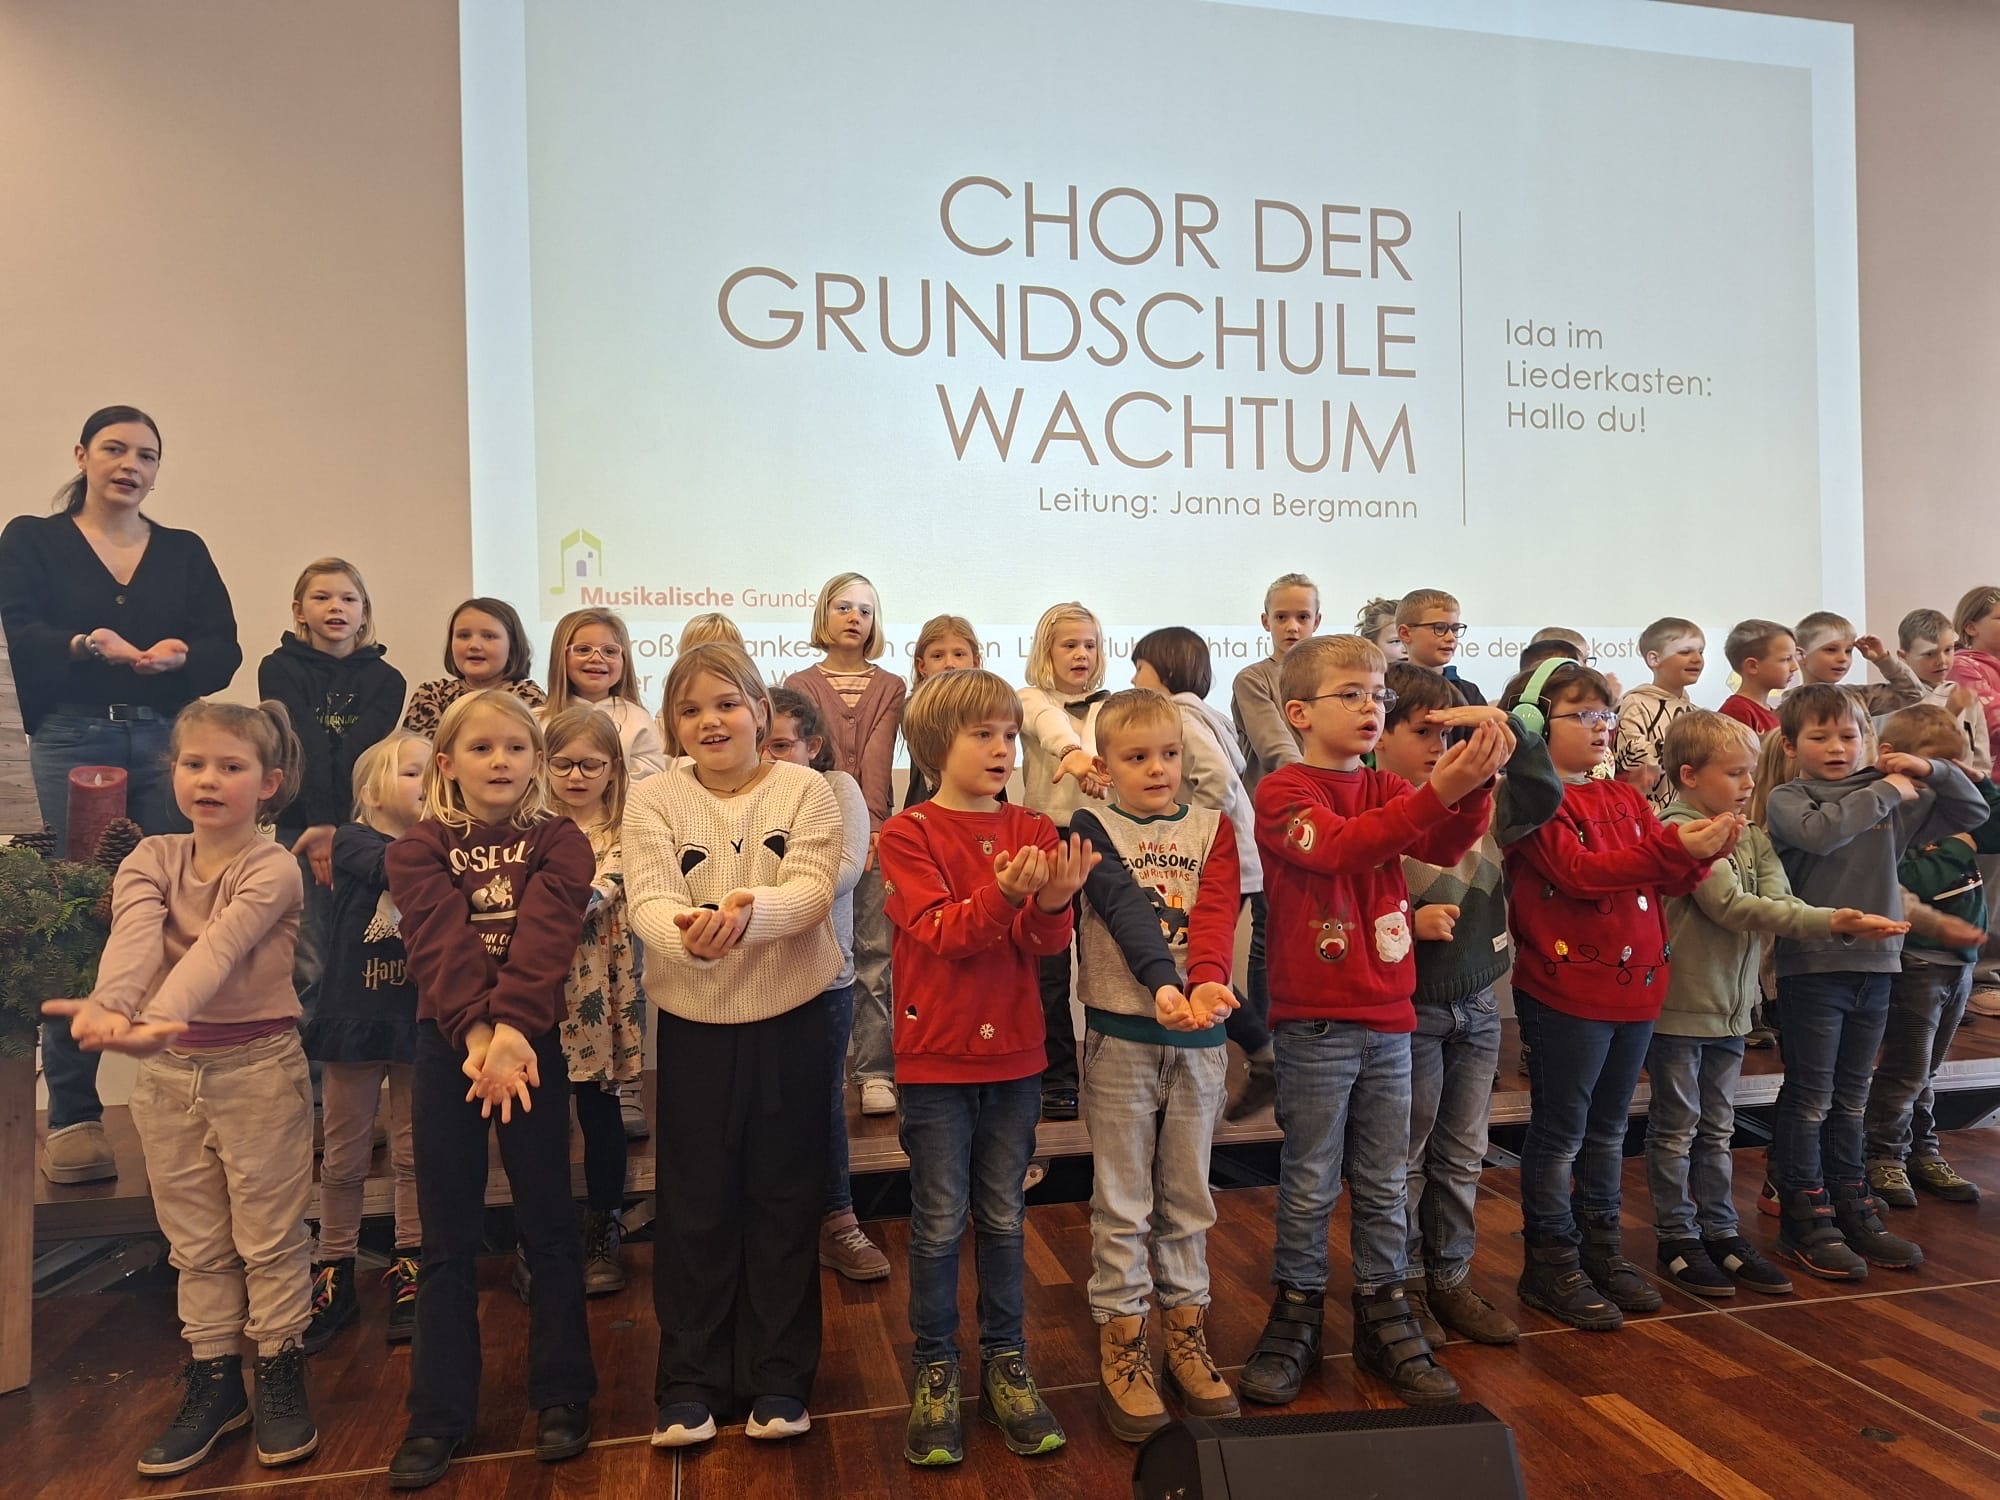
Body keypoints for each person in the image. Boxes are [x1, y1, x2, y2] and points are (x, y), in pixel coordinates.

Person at [43, 700, 314, 1477]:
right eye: (195, 764)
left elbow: (219, 948)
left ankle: (281, 1365)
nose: (209, 780)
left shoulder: (271, 866)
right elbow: (134, 939)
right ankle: (215, 1379)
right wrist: (112, 1003)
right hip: (167, 1081)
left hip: (258, 1071)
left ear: (269, 783)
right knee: (195, 1243)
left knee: (268, 1238)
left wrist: (161, 1015)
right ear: (173, 773)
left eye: (231, 767)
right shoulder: (149, 857)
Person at [1240, 634, 1507, 1408]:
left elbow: (1444, 840)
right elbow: (1346, 850)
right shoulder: (1283, 792)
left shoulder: (1390, 785)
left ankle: (1384, 1313)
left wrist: (1474, 783)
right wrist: (1439, 787)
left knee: (1387, 1181)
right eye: (1351, 694)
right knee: (1310, 1181)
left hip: (1392, 1020)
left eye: (1378, 694)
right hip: (1316, 1025)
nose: (1371, 707)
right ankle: (1295, 1314)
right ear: (1298, 713)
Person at [2, 405, 241, 1186]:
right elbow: (18, 630)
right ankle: (74, 1116)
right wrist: (83, 645)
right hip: (72, 739)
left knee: (180, 910)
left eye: (147, 454)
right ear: (82, 455)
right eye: (114, 448)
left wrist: (182, 657)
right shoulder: (31, 539)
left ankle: (187, 1102)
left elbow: (225, 646)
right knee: (73, 916)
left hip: (171, 741)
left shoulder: (183, 550)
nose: (130, 464)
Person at [625, 644, 843, 1449]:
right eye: (690, 710)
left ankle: (780, 1378)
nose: (710, 721)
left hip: (793, 1019)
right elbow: (648, 897)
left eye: (726, 703)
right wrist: (688, 934)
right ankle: (688, 1382)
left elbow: (813, 889)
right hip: (695, 1024)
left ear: (761, 711)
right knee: (694, 1204)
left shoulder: (807, 789)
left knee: (784, 1198)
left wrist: (749, 915)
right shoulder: (653, 797)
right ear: (672, 724)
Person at [878, 667, 1096, 1466]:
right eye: (984, 735)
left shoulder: (1032, 826)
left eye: (1010, 734)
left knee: (1003, 1217)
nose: (1004, 748)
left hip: (1015, 1060)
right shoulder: (907, 833)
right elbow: (944, 933)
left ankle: (1007, 1362)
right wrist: (1006, 896)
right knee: (939, 1222)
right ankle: (935, 1367)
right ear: (938, 745)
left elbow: (1041, 946)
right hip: (936, 1061)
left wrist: (1053, 902)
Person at [383, 691, 596, 1488]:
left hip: (529, 1046)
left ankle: (563, 1393)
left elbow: (546, 940)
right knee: (447, 1236)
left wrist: (510, 1034)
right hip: (454, 1052)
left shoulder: (560, 839)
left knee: (550, 1223)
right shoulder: (417, 848)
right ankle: (437, 1416)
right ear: (447, 763)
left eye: (515, 747)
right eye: (481, 749)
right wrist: (479, 1038)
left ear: (536, 760)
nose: (500, 761)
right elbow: (438, 944)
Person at [1501, 658, 1736, 1330]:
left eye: (1606, 712)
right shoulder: (1534, 802)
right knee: (1561, 1133)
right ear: (1536, 724)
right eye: (1583, 714)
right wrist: (1676, 849)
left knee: (1608, 1132)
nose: (1602, 726)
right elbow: (1580, 873)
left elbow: (1664, 879)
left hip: (1636, 993)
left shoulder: (1627, 798)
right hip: (1566, 994)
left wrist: (1699, 852)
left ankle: (1600, 1248)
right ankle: (1550, 1261)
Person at [1648, 711, 1903, 1299]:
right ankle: (1677, 1235)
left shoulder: (1751, 833)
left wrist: (1830, 919)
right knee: (1676, 1129)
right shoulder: (1677, 830)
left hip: (1733, 1011)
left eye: (1750, 772)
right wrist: (1833, 921)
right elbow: (1732, 906)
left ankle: (1721, 1230)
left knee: (1717, 1128)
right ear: (1689, 775)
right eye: (1734, 773)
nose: (1747, 783)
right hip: (1681, 1010)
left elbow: (1781, 901)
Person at [1762, 684, 1984, 1278]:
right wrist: (1886, 789)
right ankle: (1804, 1219)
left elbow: (1973, 812)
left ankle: (1851, 1203)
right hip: (1814, 967)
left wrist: (1930, 768)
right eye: (1820, 737)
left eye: (1849, 735)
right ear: (1791, 746)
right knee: (1811, 1097)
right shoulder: (1791, 797)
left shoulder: (1890, 793)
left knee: (1853, 1096)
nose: (1838, 747)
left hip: (1879, 967)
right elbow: (1822, 834)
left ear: (1868, 740)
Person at [1068, 689, 1243, 1440]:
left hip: (1199, 1042)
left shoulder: (1214, 826)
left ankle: (1186, 1334)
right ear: (1105, 767)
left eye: (1169, 754)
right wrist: (1163, 985)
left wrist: (1205, 980)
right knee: (1122, 1202)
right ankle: (1124, 1342)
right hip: (1122, 1038)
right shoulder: (1090, 825)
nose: (1158, 769)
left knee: (1189, 1198)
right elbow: (1125, 909)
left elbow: (1216, 912)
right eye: (1137, 757)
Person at [1370, 662, 1562, 1347]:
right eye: (1422, 732)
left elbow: (1541, 796)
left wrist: (1513, 734)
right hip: (1409, 1009)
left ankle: (1450, 1278)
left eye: (1447, 734)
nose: (1438, 748)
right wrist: (1404, 918)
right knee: (1405, 1156)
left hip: (1477, 1002)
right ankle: (1400, 1286)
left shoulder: (1484, 795)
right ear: (1380, 736)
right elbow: (1352, 894)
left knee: (1461, 1154)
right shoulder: (1377, 809)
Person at [302, 729, 429, 1353]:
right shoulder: (353, 839)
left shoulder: (436, 844)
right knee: (345, 1153)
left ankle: (412, 1262)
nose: (427, 783)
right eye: (412, 772)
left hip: (414, 1016)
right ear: (372, 791)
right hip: (353, 1016)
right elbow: (394, 870)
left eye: (433, 773)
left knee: (412, 1149)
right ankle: (335, 1267)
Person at [764, 685, 891, 1282]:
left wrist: (754, 900)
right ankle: (771, 1226)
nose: (767, 757)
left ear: (812, 746)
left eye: (780, 745)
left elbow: (838, 874)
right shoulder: (730, 793)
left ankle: (837, 1220)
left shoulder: (838, 789)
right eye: (759, 744)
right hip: (744, 976)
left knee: (820, 1104)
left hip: (822, 976)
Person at [1862, 704, 2000, 1210]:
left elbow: (1995, 824)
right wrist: (1957, 848)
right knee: (1907, 1066)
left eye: (1948, 768)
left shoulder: (1954, 808)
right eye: (1931, 767)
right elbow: (1905, 880)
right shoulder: (1893, 814)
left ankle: (1922, 1149)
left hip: (1957, 964)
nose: (1939, 779)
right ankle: (1884, 1154)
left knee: (1930, 1069)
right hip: (1917, 959)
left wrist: (1978, 782)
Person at [530, 707, 647, 1297]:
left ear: (613, 769)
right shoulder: (528, 826)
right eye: (564, 764)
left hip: (600, 984)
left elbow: (607, 886)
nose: (576, 776)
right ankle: (542, 1236)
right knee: (541, 1116)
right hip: (538, 983)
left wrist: (559, 904)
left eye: (591, 765)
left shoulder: (628, 828)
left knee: (600, 1111)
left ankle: (604, 1224)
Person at [1131, 626, 1270, 1119]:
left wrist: (1188, 833)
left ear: (1165, 669)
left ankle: (1262, 1053)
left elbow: (1219, 782)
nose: (1134, 679)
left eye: (1140, 667)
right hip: (1236, 861)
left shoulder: (1181, 717)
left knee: (1197, 963)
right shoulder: (1202, 714)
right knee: (1200, 962)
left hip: (1219, 862)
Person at [259, 557, 407, 1018]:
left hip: (362, 832)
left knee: (364, 948)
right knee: (309, 953)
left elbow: (357, 756)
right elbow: (305, 745)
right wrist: (321, 824)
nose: (336, 607)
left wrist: (339, 829)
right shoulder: (278, 668)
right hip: (301, 827)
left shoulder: (388, 680)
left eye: (348, 598)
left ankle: (355, 1052)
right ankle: (311, 1061)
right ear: (299, 610)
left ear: (364, 612)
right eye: (321, 597)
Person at [785, 573, 906, 1120]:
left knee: (875, 953)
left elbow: (876, 759)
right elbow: (817, 758)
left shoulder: (891, 686)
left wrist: (875, 825)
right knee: (820, 951)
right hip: (814, 831)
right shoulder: (800, 682)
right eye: (843, 607)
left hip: (874, 832)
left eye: (865, 609)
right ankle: (824, 1066)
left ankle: (875, 1070)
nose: (854, 617)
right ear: (823, 616)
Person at [1016, 600, 1113, 1120]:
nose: (1081, 654)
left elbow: (1107, 749)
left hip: (1102, 839)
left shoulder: (1111, 705)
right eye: (1069, 644)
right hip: (1048, 839)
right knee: (1050, 971)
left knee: (1104, 964)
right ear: (1045, 651)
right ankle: (1056, 1079)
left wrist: (1095, 763)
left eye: (1089, 645)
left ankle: (1107, 1073)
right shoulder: (1029, 698)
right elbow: (1051, 725)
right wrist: (1074, 756)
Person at [543, 607, 666, 779]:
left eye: (609, 651)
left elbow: (650, 782)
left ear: (624, 660)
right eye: (583, 649)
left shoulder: (638, 720)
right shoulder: (538, 721)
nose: (596, 658)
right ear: (560, 657)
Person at [399, 597, 545, 737]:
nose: (474, 645)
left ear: (512, 646)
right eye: (464, 636)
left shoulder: (527, 696)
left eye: (489, 636)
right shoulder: (432, 695)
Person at [1614, 616, 1705, 809]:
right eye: (1685, 652)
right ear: (1654, 659)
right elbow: (1629, 754)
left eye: (1701, 651)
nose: (1697, 659)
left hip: (1688, 813)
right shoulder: (1635, 703)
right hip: (1650, 813)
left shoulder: (1695, 713)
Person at [900, 613, 986, 812]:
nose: (949, 663)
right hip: (927, 808)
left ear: (975, 661)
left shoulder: (988, 707)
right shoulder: (912, 709)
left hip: (982, 806)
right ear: (922, 666)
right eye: (938, 656)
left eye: (959, 654)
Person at [1894, 608, 1991, 772]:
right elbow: (1914, 755)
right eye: (1929, 654)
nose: (1942, 661)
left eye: (1948, 650)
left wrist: (1980, 780)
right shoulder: (1892, 701)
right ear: (1903, 657)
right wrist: (1950, 713)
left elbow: (1981, 761)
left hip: (1965, 785)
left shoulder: (1963, 695)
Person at [1792, 611, 1924, 714]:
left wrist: (1882, 659)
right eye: (1831, 650)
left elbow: (1912, 692)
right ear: (1800, 655)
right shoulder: (1790, 704)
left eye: (1848, 651)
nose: (1843, 658)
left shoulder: (1858, 697)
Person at [1396, 588, 1484, 705]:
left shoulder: (1469, 692)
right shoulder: (1389, 688)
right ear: (1405, 633)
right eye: (1439, 628)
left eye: (1455, 629)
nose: (1451, 637)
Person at [1719, 619, 1798, 736]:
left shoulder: (1773, 714)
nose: (1795, 667)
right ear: (1752, 666)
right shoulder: (1737, 711)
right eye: (1786, 659)